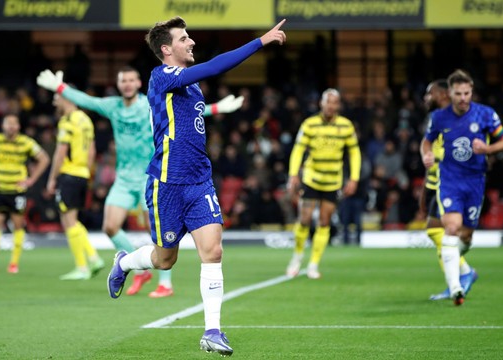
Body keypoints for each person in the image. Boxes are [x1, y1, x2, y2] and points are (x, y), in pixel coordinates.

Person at [105, 16, 286, 356]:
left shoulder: (191, 86)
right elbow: (215, 67)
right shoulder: (161, 77)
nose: (191, 42)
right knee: (164, 260)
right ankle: (125, 263)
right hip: (167, 184)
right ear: (166, 49)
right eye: (184, 38)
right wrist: (260, 42)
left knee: (213, 250)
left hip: (199, 181)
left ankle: (213, 331)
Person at [37, 66, 244, 297]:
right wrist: (60, 87)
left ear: (138, 83)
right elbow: (86, 100)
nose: (127, 84)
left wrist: (217, 108)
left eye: (131, 80)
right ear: (119, 85)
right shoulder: (113, 106)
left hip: (150, 175)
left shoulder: (149, 102)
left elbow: (186, 112)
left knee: (158, 232)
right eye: (123, 80)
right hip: (124, 178)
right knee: (110, 226)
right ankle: (136, 267)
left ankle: (165, 283)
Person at [421, 69, 503, 305]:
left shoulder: (485, 114)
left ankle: (462, 271)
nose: (463, 98)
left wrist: (488, 149)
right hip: (450, 180)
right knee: (450, 228)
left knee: (466, 237)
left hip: (475, 181)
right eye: (458, 93)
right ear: (450, 93)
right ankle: (455, 289)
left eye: (467, 93)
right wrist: (427, 154)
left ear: (471, 92)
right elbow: (427, 141)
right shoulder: (440, 117)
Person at [285, 88, 361, 279]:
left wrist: (354, 177)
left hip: (333, 181)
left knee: (325, 222)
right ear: (321, 103)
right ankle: (297, 256)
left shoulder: (346, 126)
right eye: (328, 102)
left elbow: (354, 152)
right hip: (311, 178)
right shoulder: (309, 124)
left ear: (339, 105)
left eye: (335, 102)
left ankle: (313, 264)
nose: (331, 106)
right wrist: (293, 174)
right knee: (304, 219)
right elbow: (298, 150)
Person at [421, 79, 478, 301]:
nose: (426, 98)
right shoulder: (437, 118)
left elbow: (459, 153)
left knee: (443, 232)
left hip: (452, 185)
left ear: (443, 93)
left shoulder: (454, 118)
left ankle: (463, 274)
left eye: (430, 93)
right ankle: (458, 277)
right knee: (435, 231)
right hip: (437, 183)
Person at [0, 114, 50, 274]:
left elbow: (44, 159)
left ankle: (14, 264)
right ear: (2, 126)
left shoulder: (26, 142)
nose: (11, 126)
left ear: (18, 127)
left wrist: (31, 180)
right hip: (0, 189)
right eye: (8, 123)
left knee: (17, 224)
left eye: (14, 123)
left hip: (17, 191)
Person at [48, 89, 105, 280]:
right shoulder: (86, 119)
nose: (55, 102)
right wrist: (87, 174)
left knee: (68, 220)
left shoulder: (67, 121)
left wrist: (52, 178)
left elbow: (60, 152)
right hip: (82, 174)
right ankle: (90, 260)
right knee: (73, 220)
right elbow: (92, 150)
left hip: (69, 174)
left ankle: (85, 264)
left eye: (57, 98)